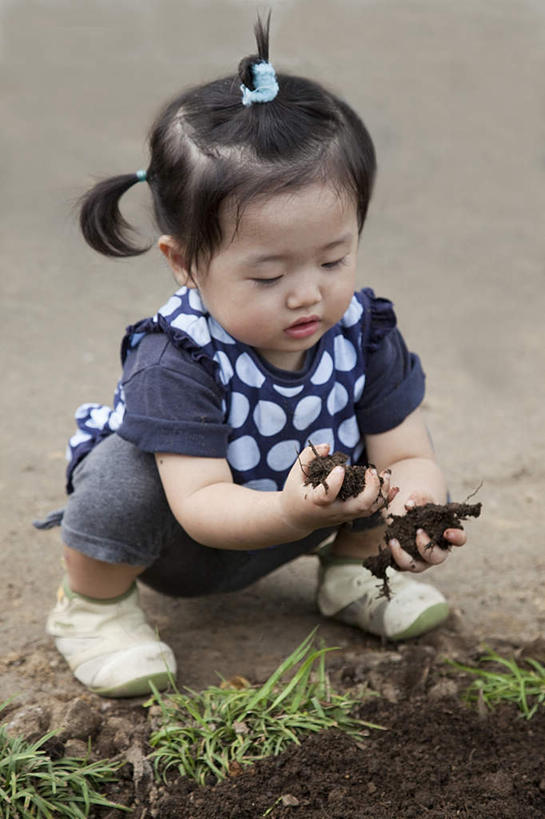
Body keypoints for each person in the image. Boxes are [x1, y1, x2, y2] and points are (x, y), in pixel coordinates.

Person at [38, 16, 467, 698]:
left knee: (371, 441)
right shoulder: (176, 357)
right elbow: (201, 503)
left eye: (333, 258)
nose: (307, 295)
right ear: (182, 263)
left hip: (300, 516)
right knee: (122, 477)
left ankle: (353, 571)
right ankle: (93, 608)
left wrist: (413, 506)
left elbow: (407, 453)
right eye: (267, 276)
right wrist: (293, 514)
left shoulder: (362, 332)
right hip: (185, 544)